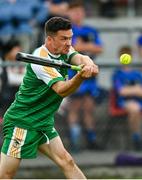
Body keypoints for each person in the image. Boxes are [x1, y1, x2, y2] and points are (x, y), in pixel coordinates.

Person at [0, 17, 99, 179]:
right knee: (5, 176)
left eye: (70, 38)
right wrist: (80, 76)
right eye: (64, 39)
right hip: (23, 122)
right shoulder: (41, 59)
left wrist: (89, 63)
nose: (68, 42)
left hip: (43, 122)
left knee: (67, 162)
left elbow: (80, 57)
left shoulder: (65, 50)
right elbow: (61, 90)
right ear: (49, 39)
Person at [66, 1, 103, 151]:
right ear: (69, 13)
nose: (78, 14)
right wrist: (87, 47)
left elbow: (99, 48)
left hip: (91, 75)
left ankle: (91, 139)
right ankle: (74, 141)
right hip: (73, 75)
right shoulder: (67, 31)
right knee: (74, 107)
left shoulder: (91, 30)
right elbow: (72, 48)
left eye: (80, 11)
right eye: (74, 11)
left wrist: (83, 46)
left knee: (89, 106)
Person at [112, 45, 142, 151]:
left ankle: (136, 136)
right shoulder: (117, 74)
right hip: (123, 102)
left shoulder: (137, 74)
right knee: (135, 109)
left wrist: (130, 89)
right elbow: (121, 92)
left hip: (138, 102)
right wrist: (136, 89)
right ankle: (136, 138)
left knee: (136, 108)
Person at [0, 38, 24, 117]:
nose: (19, 53)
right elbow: (11, 80)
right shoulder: (2, 63)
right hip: (4, 101)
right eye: (16, 51)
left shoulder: (21, 63)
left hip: (18, 101)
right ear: (8, 51)